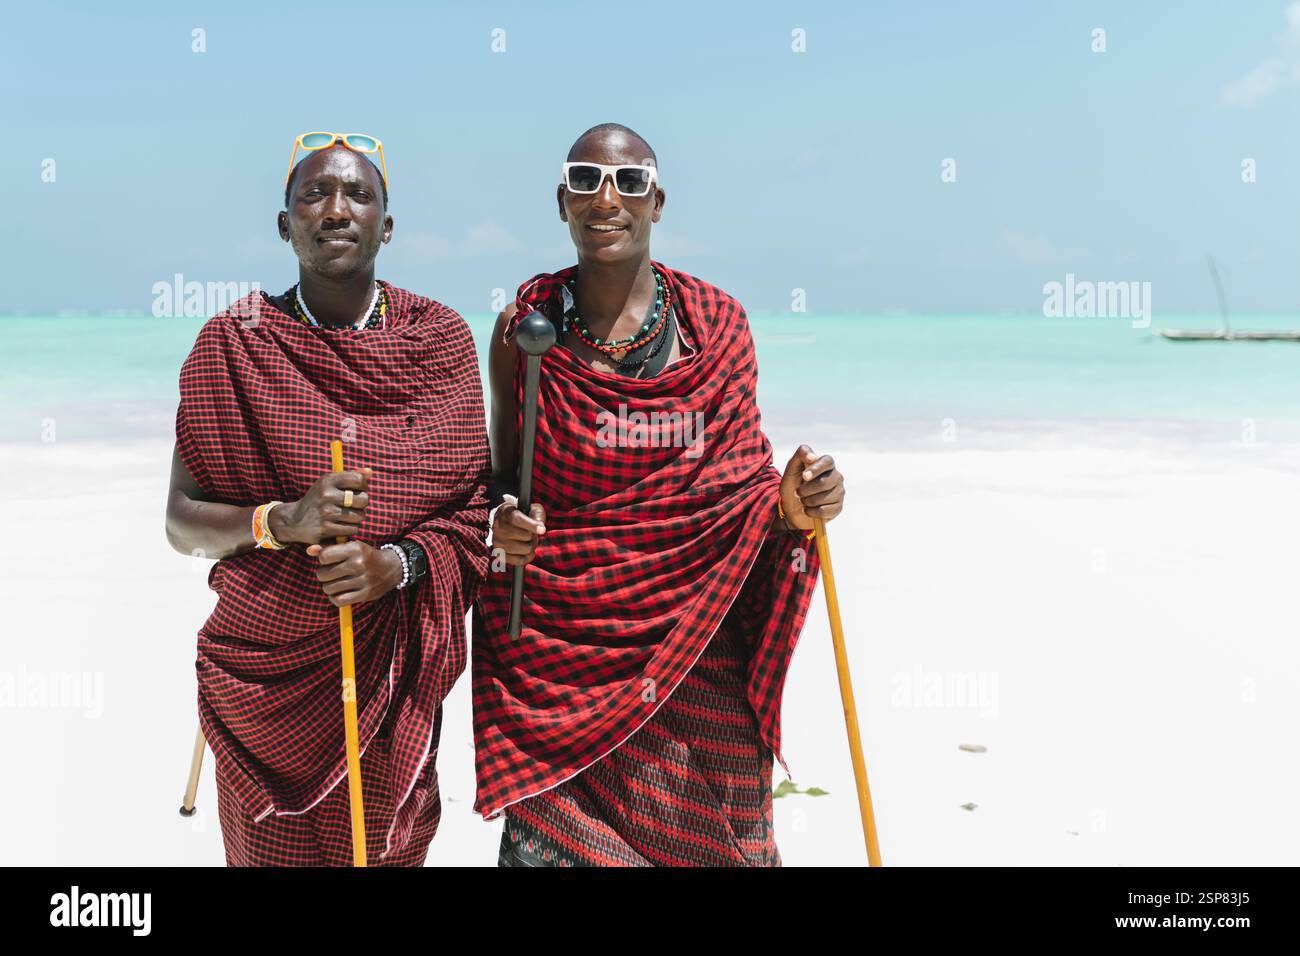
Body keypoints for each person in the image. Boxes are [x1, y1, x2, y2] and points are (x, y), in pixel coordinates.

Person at [474, 123, 847, 866]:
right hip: (558, 656)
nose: (605, 198)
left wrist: (798, 503)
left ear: (658, 201)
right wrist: (502, 521)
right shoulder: (525, 331)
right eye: (584, 180)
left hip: (698, 638)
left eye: (628, 182)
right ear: (561, 202)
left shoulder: (716, 327)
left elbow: (743, 490)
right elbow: (501, 477)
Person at [165, 133, 490, 866]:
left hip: (389, 672)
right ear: (286, 224)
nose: (336, 210)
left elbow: (475, 516)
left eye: (358, 195)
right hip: (264, 682)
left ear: (387, 223)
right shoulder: (232, 344)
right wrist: (282, 521)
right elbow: (182, 525)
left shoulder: (438, 341)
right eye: (314, 194)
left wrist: (398, 566)